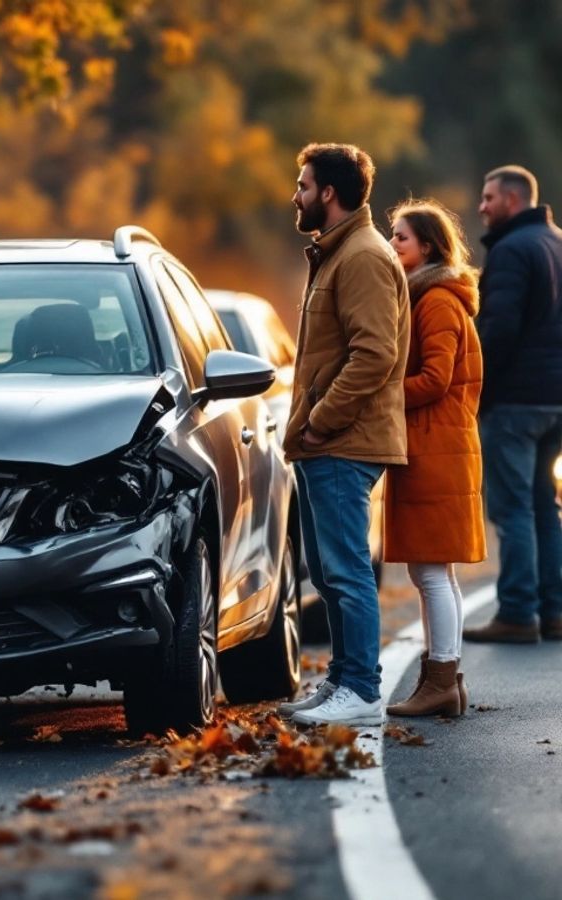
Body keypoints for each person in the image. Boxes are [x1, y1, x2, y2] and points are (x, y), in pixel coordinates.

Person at [277, 143, 410, 727]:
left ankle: (361, 690)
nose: (296, 196)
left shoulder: (360, 256)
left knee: (347, 569)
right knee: (329, 571)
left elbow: (375, 353)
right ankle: (343, 681)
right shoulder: (337, 253)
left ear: (328, 193)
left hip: (343, 442)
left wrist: (320, 420)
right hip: (326, 442)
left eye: (303, 186)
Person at [383, 200, 485, 717]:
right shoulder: (429, 297)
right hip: (438, 444)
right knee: (434, 573)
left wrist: (381, 391)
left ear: (427, 246)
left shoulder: (436, 301)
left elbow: (436, 380)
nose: (392, 244)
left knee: (430, 574)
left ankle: (442, 679)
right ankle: (445, 680)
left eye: (400, 237)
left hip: (435, 448)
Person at [462, 165, 562, 643]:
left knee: (513, 507)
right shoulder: (557, 243)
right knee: (545, 505)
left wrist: (478, 389)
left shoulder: (510, 251)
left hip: (517, 401)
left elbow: (497, 330)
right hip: (555, 401)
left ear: (514, 200)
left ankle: (519, 613)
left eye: (489, 197)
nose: (482, 206)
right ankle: (556, 610)